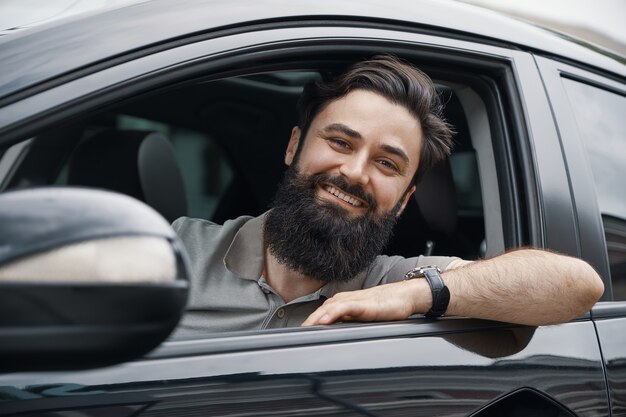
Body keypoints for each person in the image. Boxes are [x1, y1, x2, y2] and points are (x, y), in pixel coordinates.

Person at [172, 55, 604, 335]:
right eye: (340, 142)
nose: (355, 172)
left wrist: (413, 295)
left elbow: (579, 285)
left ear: (403, 199)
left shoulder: (396, 282)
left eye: (387, 163)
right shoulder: (182, 249)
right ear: (293, 147)